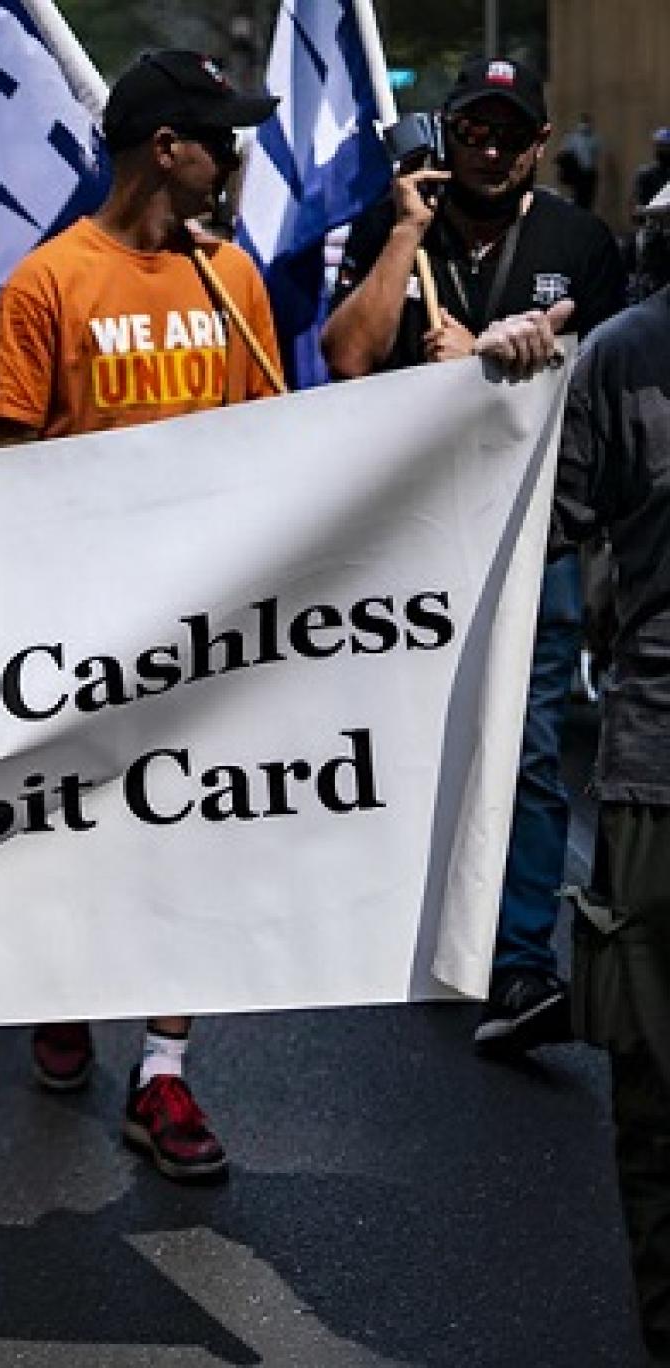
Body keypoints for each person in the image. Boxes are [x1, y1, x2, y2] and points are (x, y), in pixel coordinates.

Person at [0, 49, 286, 1183]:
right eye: (219, 137)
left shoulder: (232, 283)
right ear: (165, 149)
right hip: (76, 631)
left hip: (201, 631)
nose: (233, 158)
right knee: (77, 844)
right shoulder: (47, 284)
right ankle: (60, 987)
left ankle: (161, 1066)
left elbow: (278, 449)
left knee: (191, 849)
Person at [320, 55, 627, 1056]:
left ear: (538, 143)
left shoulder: (577, 243)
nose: (486, 148)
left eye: (507, 132)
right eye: (470, 130)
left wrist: (511, 364)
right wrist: (405, 233)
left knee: (530, 751)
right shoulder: (394, 226)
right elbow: (343, 357)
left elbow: (600, 378)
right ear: (443, 133)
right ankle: (409, 927)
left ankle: (519, 962)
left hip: (527, 537)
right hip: (408, 541)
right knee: (413, 744)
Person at [548, 182, 670, 1366]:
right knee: (647, 1083)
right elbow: (547, 518)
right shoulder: (619, 355)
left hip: (648, 774)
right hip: (648, 774)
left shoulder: (620, 351)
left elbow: (549, 521)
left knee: (651, 1095)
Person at [555, 112, 602, 211]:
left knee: (589, 198)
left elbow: (596, 155)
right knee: (579, 198)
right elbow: (563, 153)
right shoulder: (574, 139)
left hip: (589, 172)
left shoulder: (594, 139)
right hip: (578, 173)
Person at [636, 128, 670, 221]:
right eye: (660, 146)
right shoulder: (646, 174)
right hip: (653, 223)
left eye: (666, 147)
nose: (663, 150)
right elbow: (641, 204)